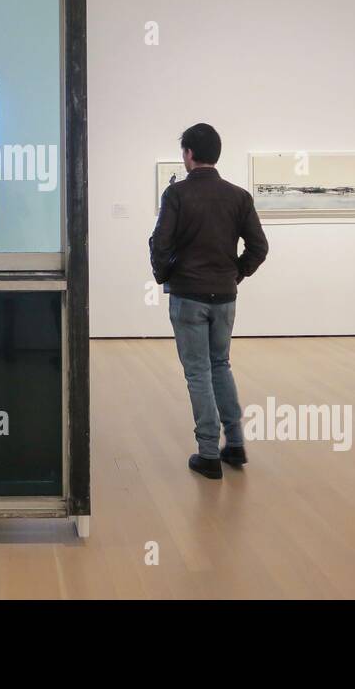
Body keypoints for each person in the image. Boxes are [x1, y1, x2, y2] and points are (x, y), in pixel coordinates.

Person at [149, 123, 268, 480]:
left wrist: (163, 275)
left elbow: (161, 243)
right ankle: (234, 444)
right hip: (224, 296)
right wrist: (236, 274)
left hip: (188, 296)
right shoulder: (238, 196)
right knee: (221, 365)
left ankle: (207, 453)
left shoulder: (177, 195)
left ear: (188, 154)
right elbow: (259, 248)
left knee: (198, 371)